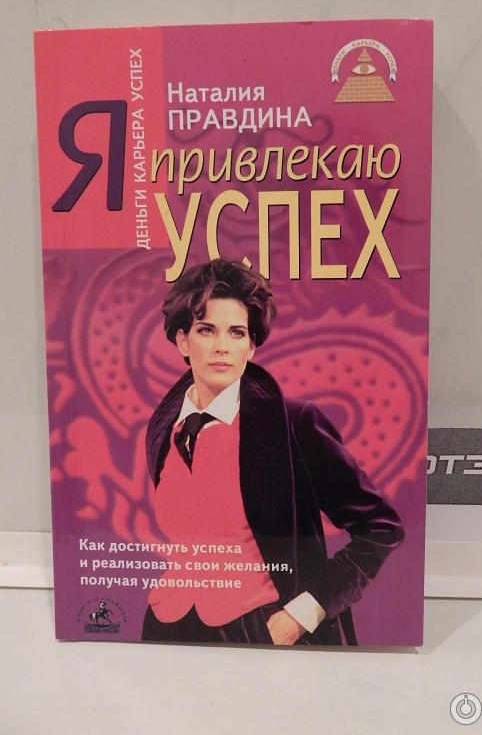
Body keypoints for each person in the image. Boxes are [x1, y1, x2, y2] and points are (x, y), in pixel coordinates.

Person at [143, 258, 404, 646]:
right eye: (206, 330)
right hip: (167, 626)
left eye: (236, 333)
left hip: (258, 631)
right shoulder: (163, 426)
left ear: (251, 346)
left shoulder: (294, 423)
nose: (221, 347)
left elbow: (381, 529)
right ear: (183, 340)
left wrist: (303, 614)